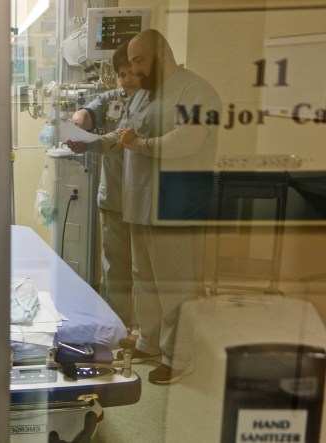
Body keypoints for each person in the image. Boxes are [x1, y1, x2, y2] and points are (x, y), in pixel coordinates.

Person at [115, 29, 220, 385]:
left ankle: (179, 357)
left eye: (139, 60)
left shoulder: (196, 90)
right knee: (144, 277)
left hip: (176, 204)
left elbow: (187, 139)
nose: (135, 69)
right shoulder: (144, 93)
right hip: (140, 200)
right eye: (131, 63)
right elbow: (127, 130)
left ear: (162, 52)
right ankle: (150, 341)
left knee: (175, 282)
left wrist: (142, 144)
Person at [67, 42, 139, 337]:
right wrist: (78, 119)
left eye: (133, 72)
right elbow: (90, 110)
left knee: (145, 272)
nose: (127, 79)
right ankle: (118, 327)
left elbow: (117, 139)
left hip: (145, 201)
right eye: (123, 74)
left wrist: (90, 142)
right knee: (116, 271)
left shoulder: (155, 103)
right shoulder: (114, 98)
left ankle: (145, 331)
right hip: (114, 199)